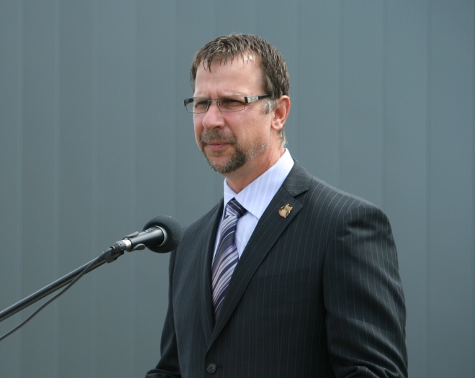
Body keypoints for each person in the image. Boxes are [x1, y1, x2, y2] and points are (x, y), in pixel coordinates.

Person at [146, 34, 407, 378]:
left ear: (279, 113)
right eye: (201, 103)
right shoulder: (188, 244)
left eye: (231, 102)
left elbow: (375, 373)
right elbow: (173, 370)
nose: (210, 120)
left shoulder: (344, 225)